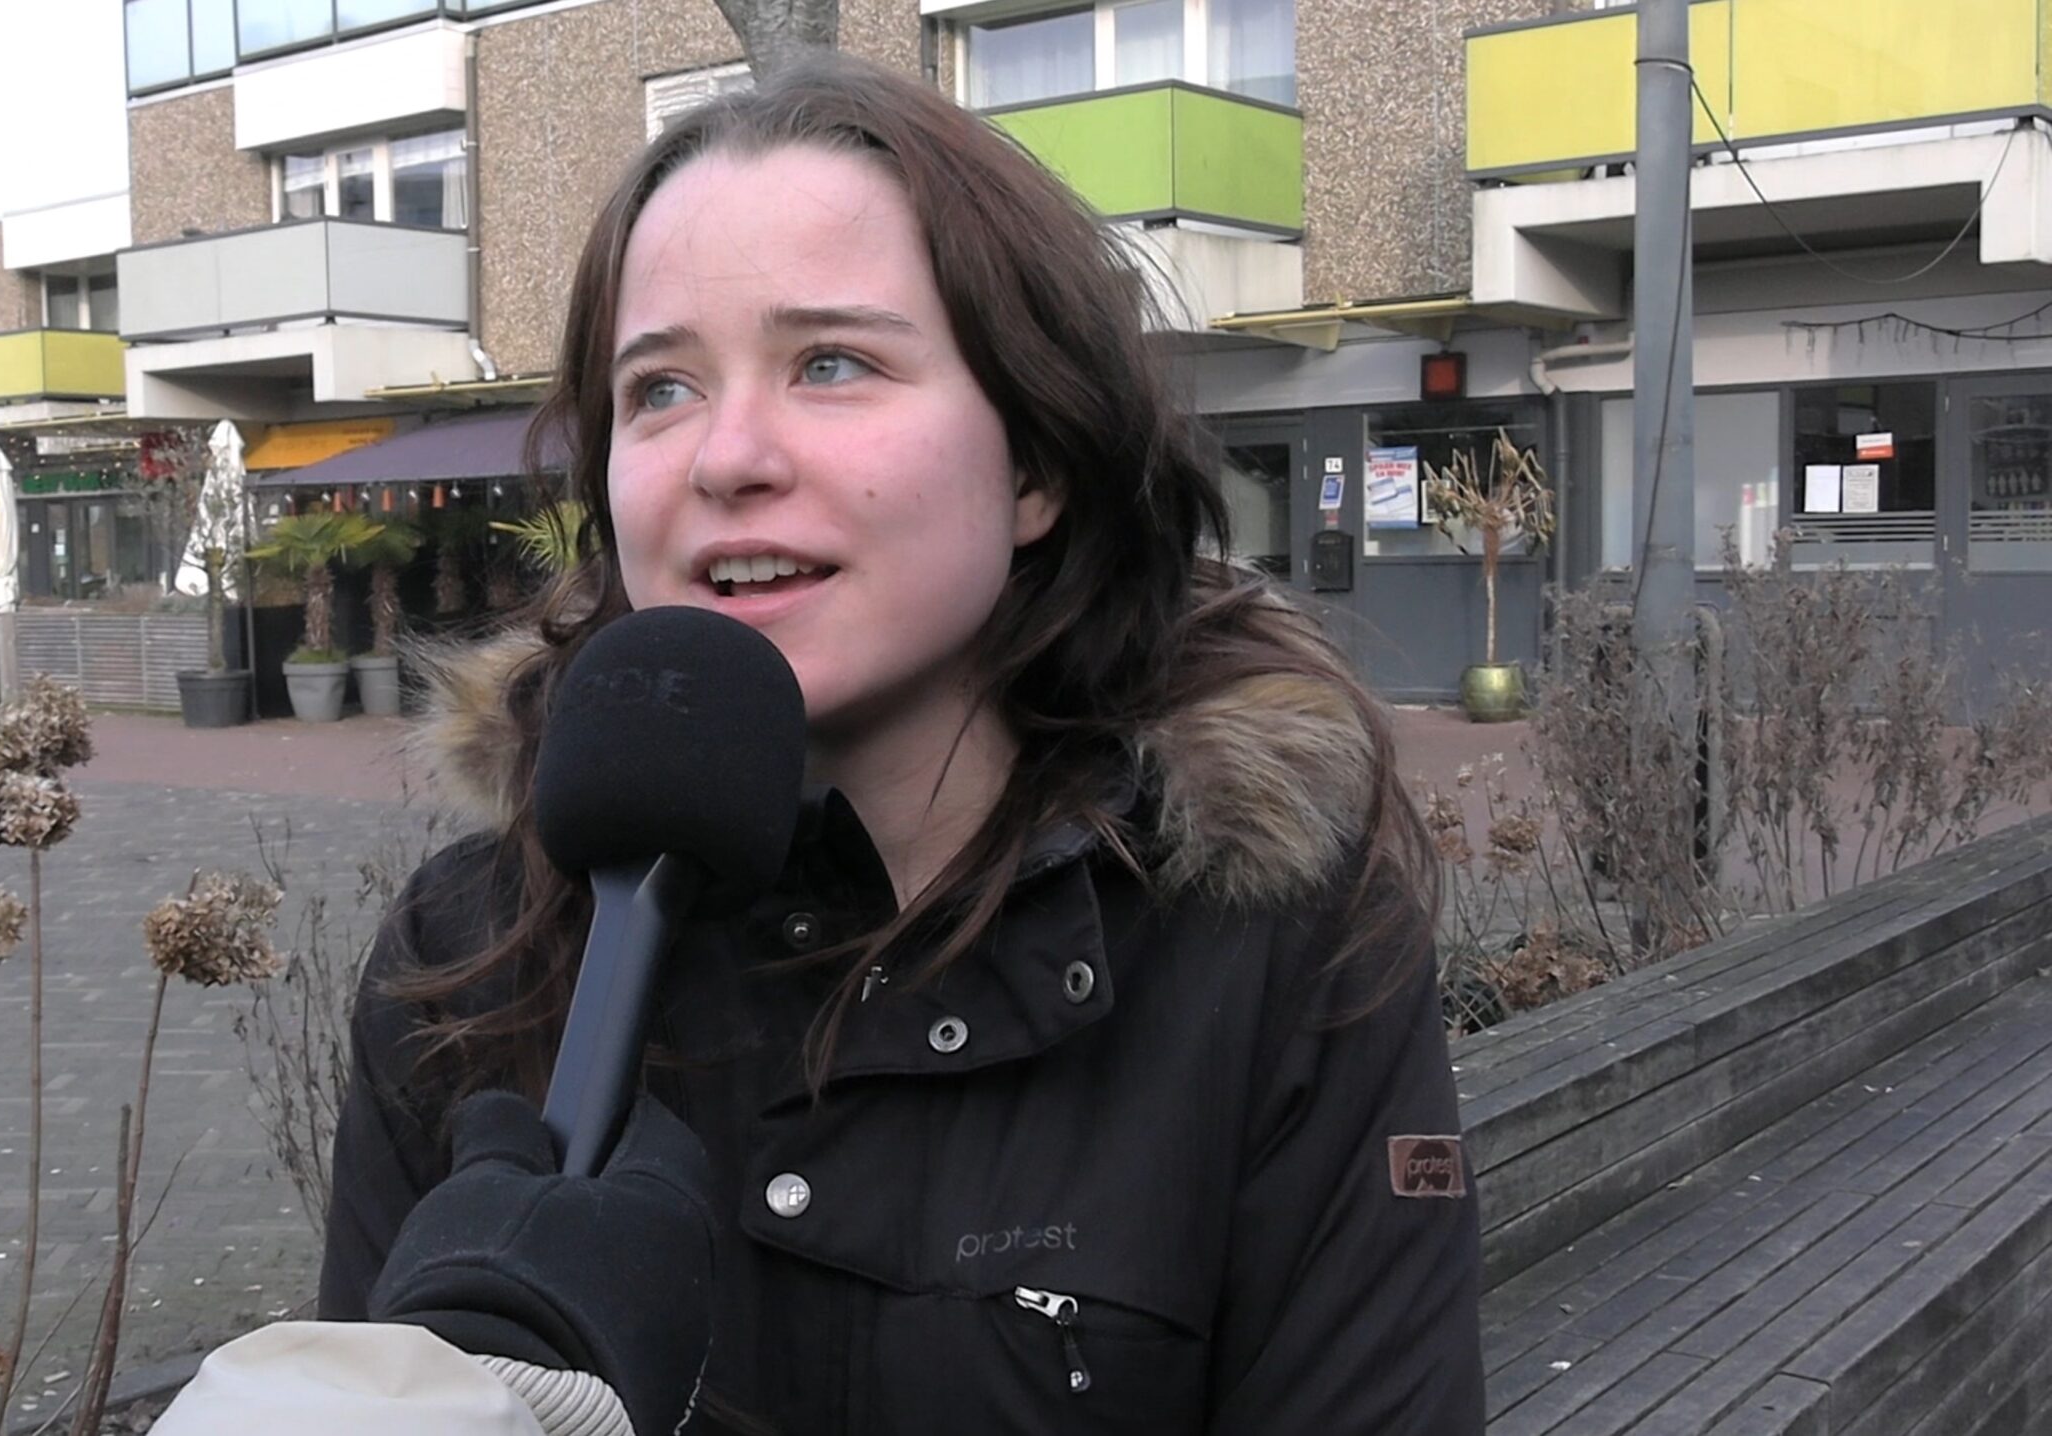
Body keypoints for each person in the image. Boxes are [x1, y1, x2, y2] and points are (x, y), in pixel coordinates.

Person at [290, 53, 1484, 1436]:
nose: (726, 455)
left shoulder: (1273, 947)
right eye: (660, 389)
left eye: (833, 363)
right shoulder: (472, 952)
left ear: (1034, 462)